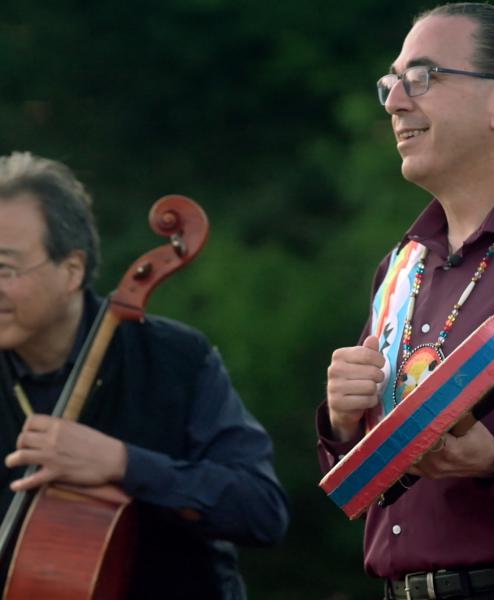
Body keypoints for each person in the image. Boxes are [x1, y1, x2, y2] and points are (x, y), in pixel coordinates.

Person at [318, 3, 494, 599]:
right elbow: (367, 484)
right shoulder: (402, 267)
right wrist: (344, 423)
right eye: (391, 83)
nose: (395, 100)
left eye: (422, 77)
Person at [0, 151, 289, 599]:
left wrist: (124, 463)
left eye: (5, 268)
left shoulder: (175, 358)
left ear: (72, 269)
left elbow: (260, 510)